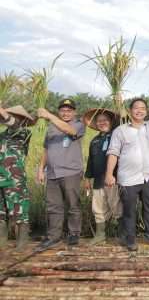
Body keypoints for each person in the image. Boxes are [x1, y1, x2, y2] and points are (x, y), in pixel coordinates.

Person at [105, 98, 149, 251]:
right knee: (129, 209)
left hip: (148, 175)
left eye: (142, 108)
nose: (139, 111)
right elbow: (113, 153)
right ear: (130, 111)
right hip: (128, 178)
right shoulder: (120, 131)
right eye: (136, 108)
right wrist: (109, 174)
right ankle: (130, 238)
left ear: (146, 112)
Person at [36, 98, 86, 249]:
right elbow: (46, 149)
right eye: (63, 110)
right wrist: (40, 169)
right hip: (52, 173)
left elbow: (69, 130)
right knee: (53, 206)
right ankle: (53, 236)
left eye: (69, 110)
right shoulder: (51, 128)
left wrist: (49, 116)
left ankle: (74, 234)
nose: (65, 113)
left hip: (71, 172)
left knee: (73, 205)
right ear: (59, 111)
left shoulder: (79, 124)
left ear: (74, 112)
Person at [83, 108, 122, 245]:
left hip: (113, 179)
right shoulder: (94, 140)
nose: (102, 123)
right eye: (99, 121)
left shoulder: (117, 136)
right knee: (98, 209)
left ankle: (122, 235)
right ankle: (100, 236)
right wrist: (87, 178)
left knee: (116, 207)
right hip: (98, 181)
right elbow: (90, 161)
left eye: (105, 120)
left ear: (111, 121)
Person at [0, 105, 34, 251]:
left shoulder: (23, 132)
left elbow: (13, 124)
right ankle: (2, 243)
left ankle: (22, 243)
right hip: (0, 178)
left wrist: (1, 110)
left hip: (15, 179)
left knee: (19, 211)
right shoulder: (2, 136)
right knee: (1, 213)